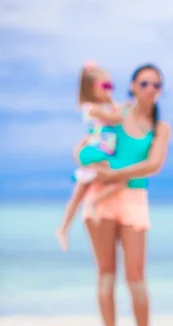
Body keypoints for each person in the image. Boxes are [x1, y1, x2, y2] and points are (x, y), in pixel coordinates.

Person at [74, 63, 171, 326]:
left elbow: (154, 165)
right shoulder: (114, 114)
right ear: (131, 86)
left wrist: (113, 174)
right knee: (105, 273)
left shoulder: (160, 127)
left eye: (156, 85)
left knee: (136, 278)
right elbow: (81, 150)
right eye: (144, 84)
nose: (150, 89)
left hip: (133, 200)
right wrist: (93, 167)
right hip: (101, 198)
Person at [55, 61, 125, 252]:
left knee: (77, 193)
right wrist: (113, 102)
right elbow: (117, 118)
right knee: (121, 180)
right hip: (97, 151)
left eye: (111, 86)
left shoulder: (98, 107)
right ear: (91, 88)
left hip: (98, 150)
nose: (109, 90)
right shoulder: (91, 108)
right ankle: (92, 203)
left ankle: (63, 228)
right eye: (105, 86)